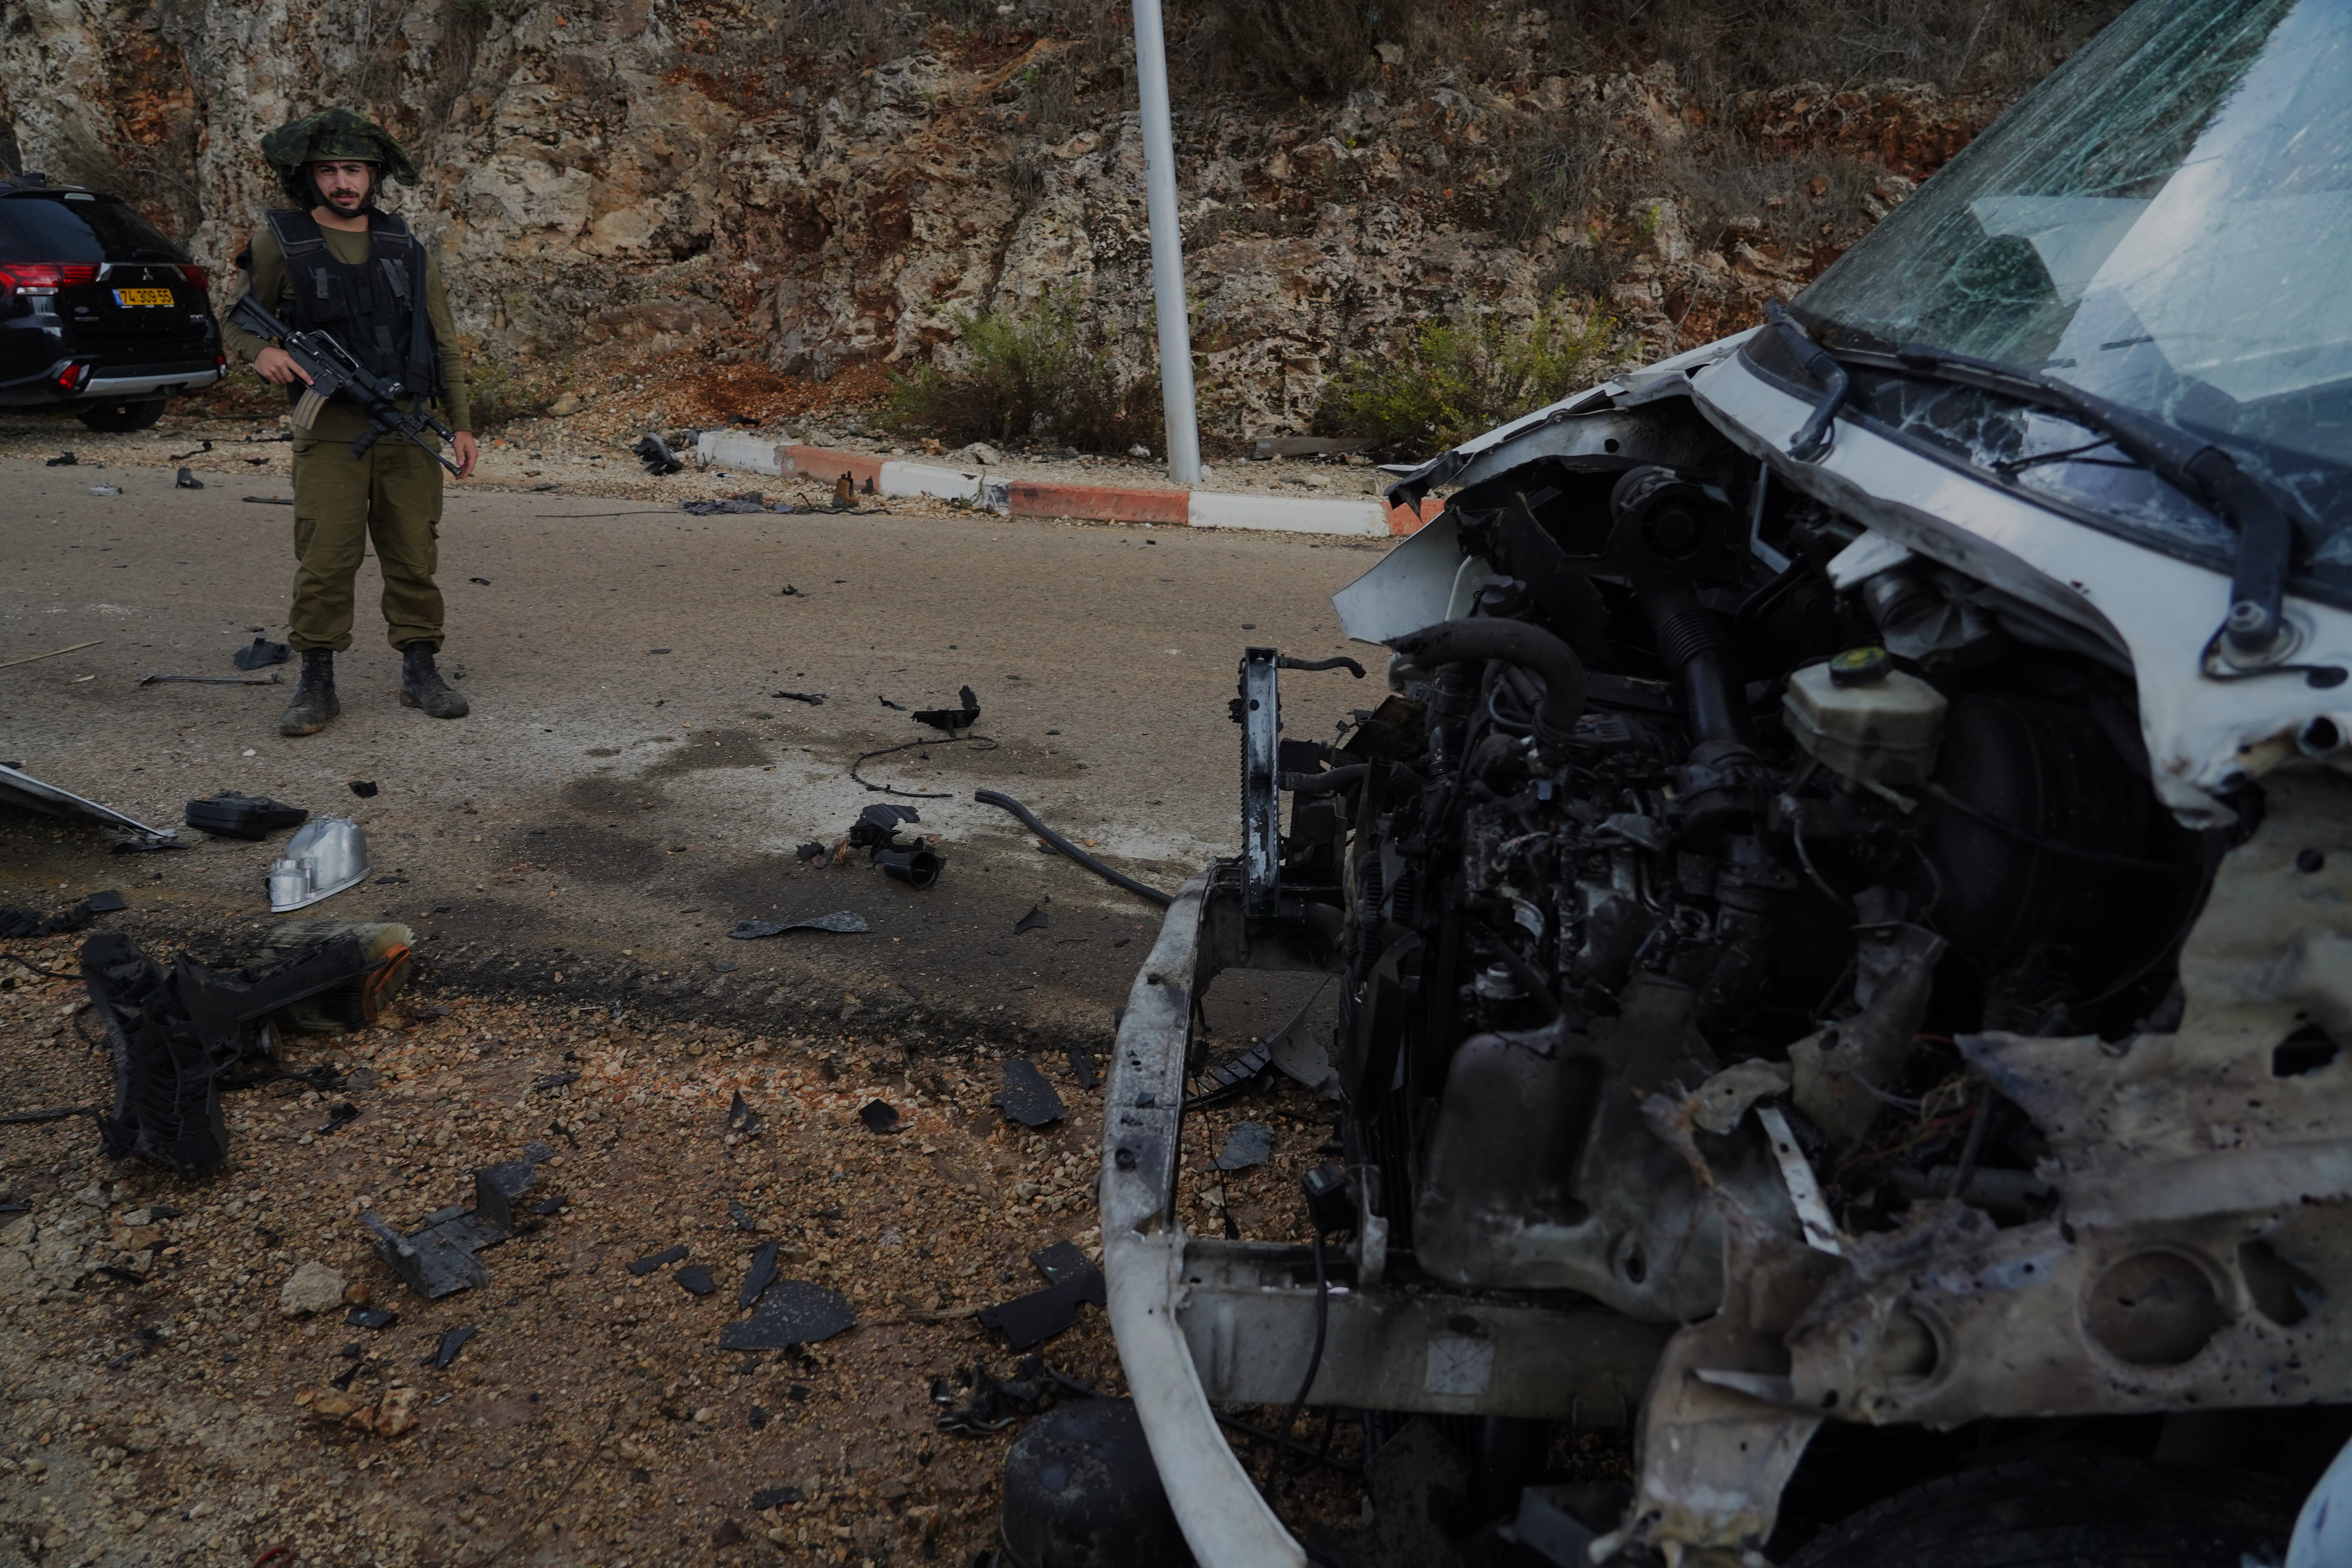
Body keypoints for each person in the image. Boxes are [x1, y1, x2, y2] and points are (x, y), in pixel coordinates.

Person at [221, 109, 478, 737]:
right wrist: (263, 354)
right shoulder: (282, 242)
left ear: (373, 177)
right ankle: (317, 683)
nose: (343, 182)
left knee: (414, 555)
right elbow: (237, 318)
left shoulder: (404, 246)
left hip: (409, 426)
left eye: (355, 170)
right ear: (309, 177)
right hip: (330, 434)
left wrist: (464, 426)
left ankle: (420, 672)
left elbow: (443, 341)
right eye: (330, 170)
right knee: (326, 560)